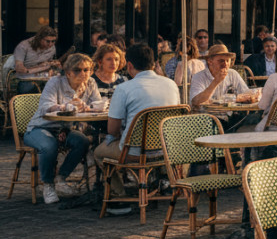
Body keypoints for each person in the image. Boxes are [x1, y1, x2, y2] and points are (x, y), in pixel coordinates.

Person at [98, 44, 180, 214]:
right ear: (154, 63)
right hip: (167, 151)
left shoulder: (123, 88)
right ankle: (154, 184)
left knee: (98, 152)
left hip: (135, 153)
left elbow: (112, 130)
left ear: (129, 66)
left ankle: (119, 197)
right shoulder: (171, 84)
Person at [24, 53, 100, 204]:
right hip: (40, 127)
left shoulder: (90, 83)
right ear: (68, 72)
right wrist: (66, 106)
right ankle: (48, 185)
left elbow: (97, 104)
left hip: (64, 129)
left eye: (87, 69)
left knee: (83, 142)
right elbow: (45, 107)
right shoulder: (55, 82)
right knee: (49, 145)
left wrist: (87, 107)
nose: (83, 73)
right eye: (78, 70)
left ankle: (61, 178)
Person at [13, 26, 59, 93]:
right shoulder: (24, 46)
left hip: (43, 77)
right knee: (26, 89)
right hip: (26, 78)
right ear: (39, 38)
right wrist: (39, 68)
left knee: (57, 86)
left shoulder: (52, 48)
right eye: (48, 41)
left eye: (53, 41)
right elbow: (19, 68)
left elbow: (48, 64)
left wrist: (53, 65)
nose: (50, 44)